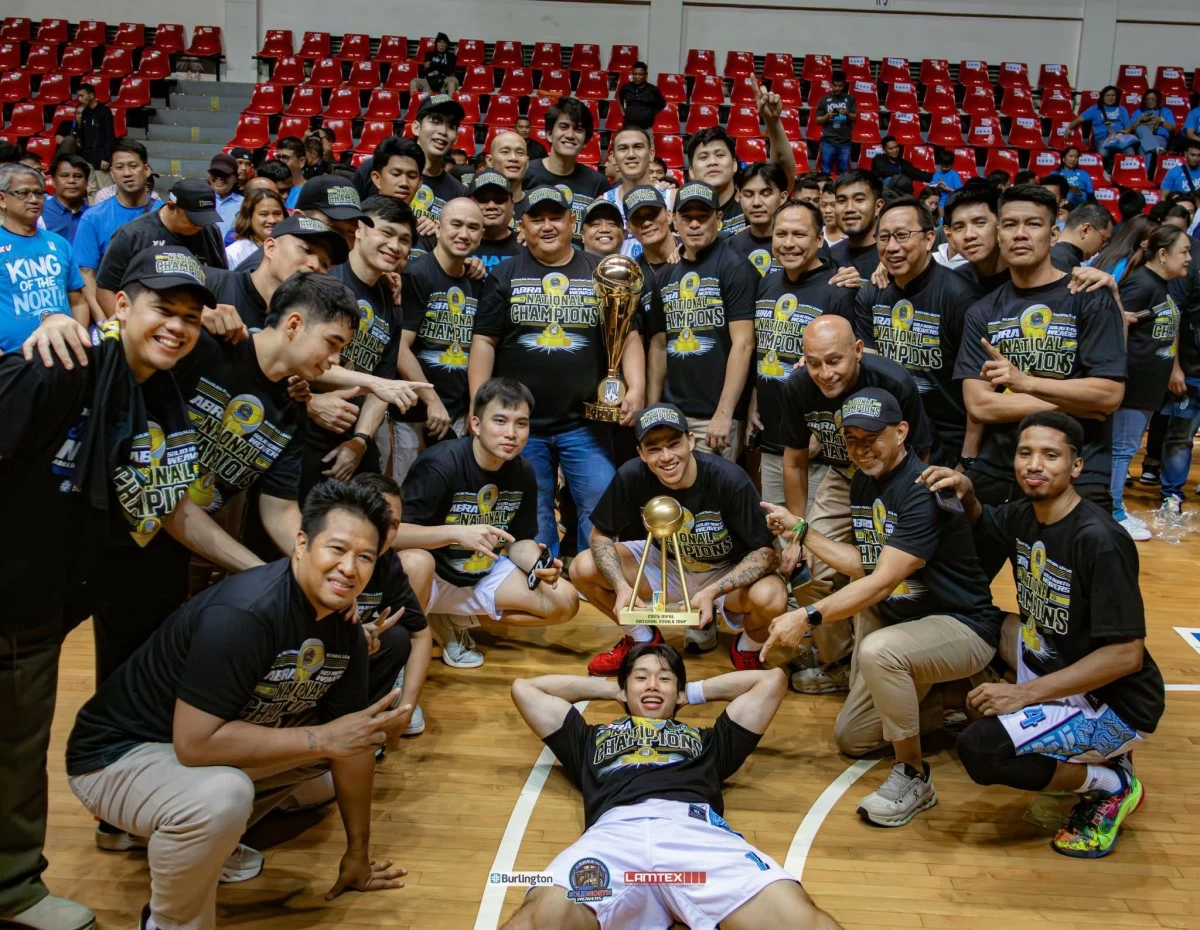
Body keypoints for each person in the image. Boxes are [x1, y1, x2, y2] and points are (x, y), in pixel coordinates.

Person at [64, 482, 413, 930]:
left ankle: (199, 836)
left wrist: (358, 856)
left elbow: (353, 745)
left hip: (187, 749)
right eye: (337, 549)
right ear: (302, 544)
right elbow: (194, 745)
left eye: (365, 557)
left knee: (328, 762)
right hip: (115, 757)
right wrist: (322, 738)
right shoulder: (246, 613)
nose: (349, 568)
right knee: (226, 796)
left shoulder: (345, 627)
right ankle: (169, 920)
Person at [0, 247, 220, 930]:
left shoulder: (157, 394)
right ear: (120, 306)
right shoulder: (54, 365)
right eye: (162, 309)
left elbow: (168, 508)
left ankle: (12, 890)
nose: (177, 327)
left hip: (36, 609)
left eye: (190, 317)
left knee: (16, 749)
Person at [762, 387, 1003, 826]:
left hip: (962, 624)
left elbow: (883, 580)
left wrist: (806, 617)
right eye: (850, 439)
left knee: (877, 647)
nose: (860, 448)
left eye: (871, 436)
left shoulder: (924, 487)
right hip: (908, 624)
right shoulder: (865, 481)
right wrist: (802, 531)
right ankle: (955, 699)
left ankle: (914, 775)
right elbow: (867, 563)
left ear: (901, 432)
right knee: (852, 738)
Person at [930, 413, 1165, 858]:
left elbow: (1126, 655)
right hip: (1056, 669)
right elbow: (987, 520)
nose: (1034, 465)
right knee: (972, 624)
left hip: (1114, 702)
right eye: (1025, 453)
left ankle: (1111, 784)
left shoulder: (1101, 540)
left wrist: (1024, 694)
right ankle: (1093, 758)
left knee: (981, 750)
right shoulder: (1026, 514)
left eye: (1050, 455)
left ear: (1076, 466)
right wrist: (968, 492)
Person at [504, 645, 841, 930]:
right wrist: (616, 689)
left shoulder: (710, 742)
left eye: (664, 678)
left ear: (679, 692)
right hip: (612, 840)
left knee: (799, 918)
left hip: (697, 835)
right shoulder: (588, 738)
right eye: (641, 677)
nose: (652, 685)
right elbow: (525, 688)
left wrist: (688, 693)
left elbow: (771, 680)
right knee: (542, 914)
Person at [469, 187, 643, 555]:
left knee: (600, 504)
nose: (547, 226)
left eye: (556, 217)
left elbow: (628, 333)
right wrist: (478, 405)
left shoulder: (600, 271)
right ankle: (543, 580)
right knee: (533, 509)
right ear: (522, 226)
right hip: (521, 424)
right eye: (537, 218)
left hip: (585, 423)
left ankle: (594, 578)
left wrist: (637, 386)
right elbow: (484, 342)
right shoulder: (505, 275)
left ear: (571, 222)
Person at [572, 402, 787, 672]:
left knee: (774, 595)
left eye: (674, 444)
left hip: (723, 570)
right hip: (667, 563)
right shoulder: (631, 475)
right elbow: (601, 535)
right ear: (640, 452)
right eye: (653, 449)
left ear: (691, 441)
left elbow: (768, 553)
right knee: (582, 566)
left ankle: (748, 649)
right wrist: (621, 586)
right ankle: (642, 639)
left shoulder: (729, 479)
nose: (666, 456)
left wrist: (713, 591)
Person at [778, 316, 932, 689]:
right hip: (842, 475)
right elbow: (795, 460)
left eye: (834, 361)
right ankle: (838, 662)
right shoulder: (798, 385)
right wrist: (797, 534)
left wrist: (907, 507)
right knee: (812, 565)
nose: (824, 373)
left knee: (874, 569)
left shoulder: (894, 381)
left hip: (892, 480)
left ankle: (897, 661)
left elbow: (921, 451)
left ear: (858, 351)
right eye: (814, 362)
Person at [954, 184, 1126, 509]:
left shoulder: (1089, 296)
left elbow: (1109, 395)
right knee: (957, 558)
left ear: (1054, 234)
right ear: (999, 235)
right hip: (1000, 467)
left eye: (1033, 224)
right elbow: (980, 406)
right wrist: (1077, 402)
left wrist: (1025, 383)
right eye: (1009, 225)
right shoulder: (982, 311)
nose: (1020, 234)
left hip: (1078, 470)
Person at [397, 378, 578, 667]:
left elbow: (518, 541)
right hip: (433, 577)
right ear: (476, 425)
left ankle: (457, 619)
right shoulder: (440, 464)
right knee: (414, 563)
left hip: (480, 572)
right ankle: (412, 643)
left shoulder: (523, 470)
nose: (511, 433)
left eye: (521, 424)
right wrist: (454, 533)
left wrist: (539, 565)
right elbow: (393, 535)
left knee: (565, 601)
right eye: (500, 421)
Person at [301, 197, 421, 500]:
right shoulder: (327, 279)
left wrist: (361, 440)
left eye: (404, 240)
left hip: (352, 431)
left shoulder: (391, 301)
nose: (395, 245)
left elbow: (383, 383)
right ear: (359, 230)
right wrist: (311, 401)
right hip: (306, 420)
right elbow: (300, 360)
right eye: (386, 233)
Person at [854, 196, 980, 466]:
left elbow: (978, 386)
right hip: (888, 437)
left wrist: (967, 460)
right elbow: (873, 372)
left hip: (946, 443)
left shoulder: (959, 294)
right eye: (884, 237)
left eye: (902, 236)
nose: (892, 247)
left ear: (929, 239)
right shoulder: (872, 292)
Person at [752, 201, 855, 506]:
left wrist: (824, 432)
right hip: (772, 439)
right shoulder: (768, 282)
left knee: (816, 543)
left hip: (818, 447)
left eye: (799, 234)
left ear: (819, 239)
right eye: (780, 234)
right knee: (781, 534)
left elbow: (850, 373)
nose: (788, 243)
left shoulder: (838, 287)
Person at [645, 182, 757, 462]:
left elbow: (743, 344)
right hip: (673, 413)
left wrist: (725, 412)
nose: (695, 224)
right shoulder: (667, 273)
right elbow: (659, 344)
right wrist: (652, 409)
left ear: (718, 218)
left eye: (703, 216)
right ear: (674, 220)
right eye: (687, 217)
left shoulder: (735, 266)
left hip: (714, 418)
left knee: (712, 501)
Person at [388, 197, 485, 480]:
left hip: (456, 414)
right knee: (404, 494)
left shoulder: (478, 281)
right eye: (456, 224)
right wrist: (431, 400)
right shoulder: (417, 275)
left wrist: (472, 406)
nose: (463, 234)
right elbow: (401, 348)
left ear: (481, 235)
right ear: (439, 228)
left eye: (472, 227)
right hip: (413, 414)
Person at [1109, 225, 1190, 538]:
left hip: (1147, 387)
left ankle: (1115, 505)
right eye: (1183, 251)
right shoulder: (1142, 283)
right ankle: (1113, 510)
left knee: (1125, 449)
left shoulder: (1161, 284)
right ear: (1162, 254)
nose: (1188, 258)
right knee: (1121, 450)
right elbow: (1113, 330)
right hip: (1132, 386)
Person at [347, 472, 433, 738]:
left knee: (395, 636)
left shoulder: (387, 563)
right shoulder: (326, 557)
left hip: (351, 656)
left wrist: (406, 708)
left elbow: (421, 633)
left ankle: (367, 721)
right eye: (377, 515)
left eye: (394, 522)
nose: (385, 528)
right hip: (306, 661)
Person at [94, 178, 228, 317]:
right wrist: (125, 328)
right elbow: (105, 289)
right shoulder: (133, 235)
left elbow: (222, 280)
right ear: (171, 207)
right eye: (194, 219)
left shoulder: (210, 231)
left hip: (198, 317)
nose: (200, 225)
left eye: (206, 218)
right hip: (146, 317)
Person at [0, 164, 88, 352]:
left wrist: (80, 339)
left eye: (39, 193)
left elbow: (78, 301)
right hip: (11, 359)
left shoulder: (59, 243)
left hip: (63, 354)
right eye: (23, 193)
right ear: (2, 199)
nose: (34, 200)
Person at [687, 85, 795, 236]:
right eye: (704, 157)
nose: (712, 162)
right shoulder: (684, 209)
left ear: (734, 164)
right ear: (691, 171)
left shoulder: (753, 202)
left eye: (720, 155)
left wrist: (773, 122)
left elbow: (781, 170)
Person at [73, 140, 158, 314]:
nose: (127, 173)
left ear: (147, 170)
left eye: (133, 166)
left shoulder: (165, 214)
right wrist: (103, 320)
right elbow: (87, 275)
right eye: (119, 167)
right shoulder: (93, 218)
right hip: (111, 309)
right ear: (112, 173)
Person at [524, 97, 610, 243]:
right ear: (550, 134)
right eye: (563, 126)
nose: (570, 135)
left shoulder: (597, 182)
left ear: (585, 142)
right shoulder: (526, 173)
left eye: (578, 129)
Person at [599, 124, 661, 256]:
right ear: (614, 158)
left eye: (638, 147)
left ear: (651, 154)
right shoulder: (602, 204)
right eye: (623, 148)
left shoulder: (671, 197)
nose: (631, 154)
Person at [727, 162, 789, 276]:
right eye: (748, 194)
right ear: (738, 196)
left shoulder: (799, 244)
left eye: (766, 194)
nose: (756, 203)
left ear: (783, 197)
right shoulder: (730, 246)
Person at [830, 170, 885, 283]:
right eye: (841, 200)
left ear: (878, 206)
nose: (849, 208)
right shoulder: (830, 255)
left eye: (859, 200)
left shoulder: (892, 257)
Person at [470, 169, 522, 271]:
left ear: (513, 205)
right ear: (469, 204)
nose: (491, 206)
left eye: (499, 199)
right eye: (483, 199)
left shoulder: (528, 246)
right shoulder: (455, 246)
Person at [1068, 86, 1138, 158]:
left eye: (1113, 95)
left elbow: (1128, 128)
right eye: (1107, 95)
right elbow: (1079, 119)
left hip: (1118, 138)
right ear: (1103, 97)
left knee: (1130, 153)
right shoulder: (1095, 109)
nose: (1110, 98)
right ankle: (1106, 168)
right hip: (1102, 138)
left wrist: (1122, 133)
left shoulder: (1122, 109)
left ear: (1116, 97)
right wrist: (1069, 129)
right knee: (1103, 154)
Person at [224, 188, 286, 268]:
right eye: (264, 214)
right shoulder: (233, 254)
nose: (272, 220)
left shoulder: (292, 248)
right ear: (249, 217)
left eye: (277, 214)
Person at [74, 83, 114, 197]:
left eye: (82, 95)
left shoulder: (104, 111)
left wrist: (106, 157)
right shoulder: (85, 112)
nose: (80, 99)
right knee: (91, 190)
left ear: (91, 95)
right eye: (78, 96)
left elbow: (109, 136)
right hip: (87, 157)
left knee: (106, 191)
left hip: (101, 159)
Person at [1050, 202, 1114, 272]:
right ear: (1085, 230)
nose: (1101, 249)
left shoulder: (1047, 251)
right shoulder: (1066, 262)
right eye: (1104, 241)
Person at [41, 153, 89, 243]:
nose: (71, 181)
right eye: (65, 175)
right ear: (53, 181)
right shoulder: (39, 212)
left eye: (78, 176)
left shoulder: (95, 215)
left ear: (86, 182)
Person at [816, 70, 857, 175]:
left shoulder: (850, 99)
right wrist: (827, 116)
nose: (837, 88)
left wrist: (847, 113)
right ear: (831, 84)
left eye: (840, 86)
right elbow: (818, 120)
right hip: (828, 141)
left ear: (844, 85)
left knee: (843, 172)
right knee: (825, 171)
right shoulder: (824, 100)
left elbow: (855, 117)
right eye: (835, 85)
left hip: (845, 141)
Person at [487, 128, 530, 218]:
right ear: (489, 160)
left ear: (527, 163)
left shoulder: (538, 205)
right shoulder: (477, 205)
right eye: (505, 152)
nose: (513, 158)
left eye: (520, 153)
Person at [617, 60, 667, 130]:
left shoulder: (653, 89)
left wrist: (651, 114)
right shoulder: (626, 87)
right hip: (628, 126)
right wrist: (623, 112)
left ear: (645, 75)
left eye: (640, 74)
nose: (637, 77)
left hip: (646, 128)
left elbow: (662, 104)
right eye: (634, 74)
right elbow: (619, 97)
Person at [207, 152, 243, 241]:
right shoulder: (198, 200)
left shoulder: (244, 203)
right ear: (209, 177)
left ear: (235, 178)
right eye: (215, 173)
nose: (219, 178)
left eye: (225, 174)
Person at [1129, 89, 1174, 156]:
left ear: (1157, 100)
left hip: (1159, 137)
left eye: (1153, 99)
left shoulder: (1165, 111)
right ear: (1144, 101)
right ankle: (1156, 148)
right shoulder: (1139, 111)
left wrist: (1161, 121)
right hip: (1141, 138)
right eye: (1148, 99)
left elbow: (1173, 128)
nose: (1150, 101)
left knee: (1143, 148)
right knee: (1141, 128)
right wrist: (1140, 119)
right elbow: (1130, 128)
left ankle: (1145, 166)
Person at [275, 136, 308, 208]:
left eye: (285, 158)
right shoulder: (271, 186)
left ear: (301, 161)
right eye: (278, 157)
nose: (280, 162)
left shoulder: (309, 191)